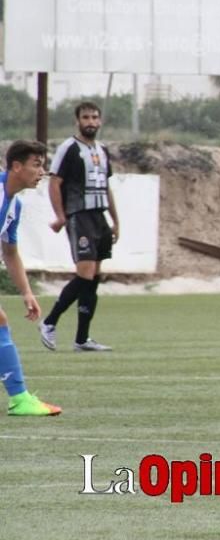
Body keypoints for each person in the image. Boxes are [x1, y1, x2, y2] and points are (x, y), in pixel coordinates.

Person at [39, 101, 119, 352]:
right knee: (84, 274)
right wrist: (61, 216)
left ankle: (82, 339)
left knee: (93, 278)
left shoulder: (103, 150)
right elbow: (54, 183)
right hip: (79, 215)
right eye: (86, 117)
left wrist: (116, 220)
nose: (91, 122)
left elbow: (106, 187)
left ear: (100, 121)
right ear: (77, 121)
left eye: (95, 117)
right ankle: (49, 322)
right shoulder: (69, 148)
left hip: (99, 217)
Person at [1, 141, 62, 416]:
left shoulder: (14, 205)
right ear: (16, 166)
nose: (42, 172)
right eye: (36, 165)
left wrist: (27, 292)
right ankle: (20, 399)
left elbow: (10, 252)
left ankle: (20, 398)